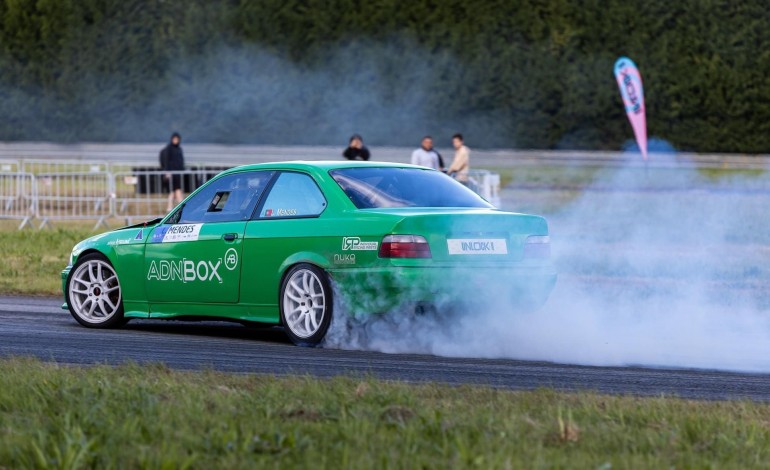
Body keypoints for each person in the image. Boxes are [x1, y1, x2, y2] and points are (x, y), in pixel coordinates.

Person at [159, 132, 185, 211]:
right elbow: (166, 161)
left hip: (178, 174)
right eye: (174, 139)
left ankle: (170, 208)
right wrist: (167, 172)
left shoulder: (179, 149)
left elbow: (181, 161)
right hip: (171, 173)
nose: (175, 140)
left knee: (173, 191)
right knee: (176, 190)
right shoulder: (168, 149)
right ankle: (181, 207)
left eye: (177, 139)